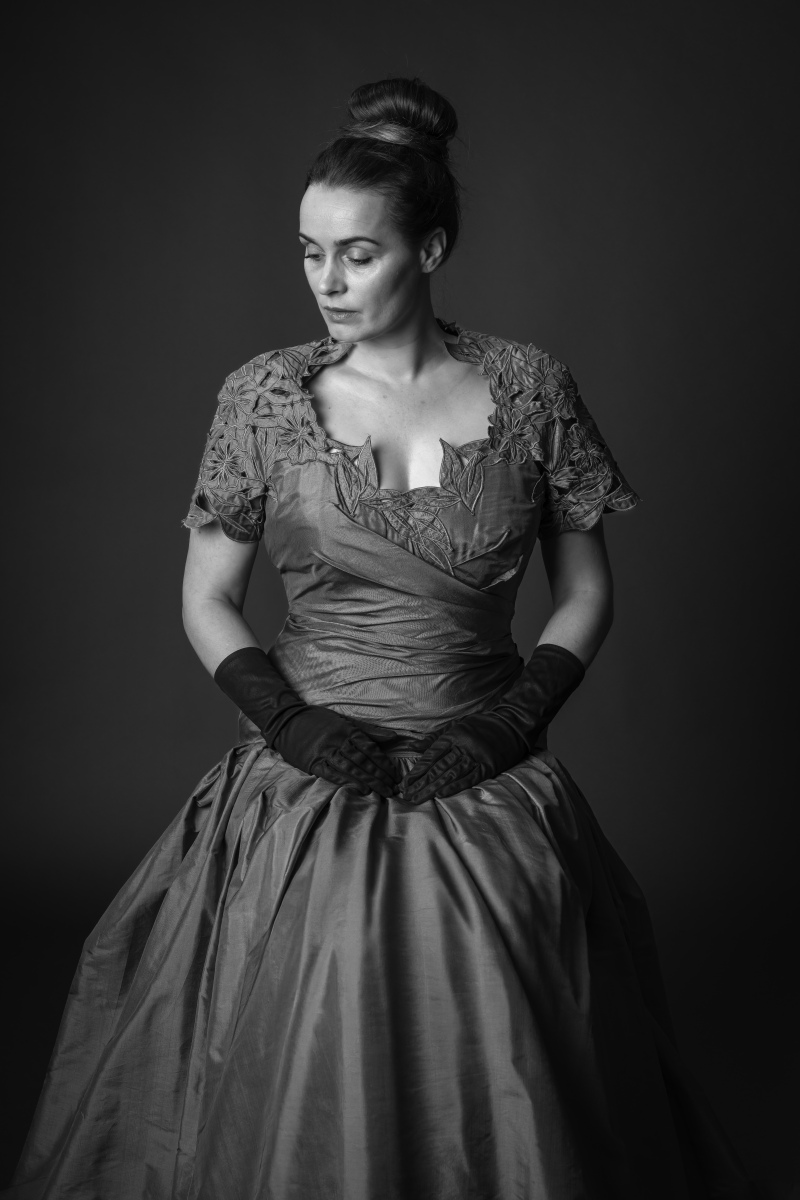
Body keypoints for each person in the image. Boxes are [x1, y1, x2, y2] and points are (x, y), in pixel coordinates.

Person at [7, 77, 764, 1200]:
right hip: (304, 765)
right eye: (309, 253)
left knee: (516, 1026)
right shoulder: (263, 396)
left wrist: (513, 720)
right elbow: (206, 597)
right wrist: (289, 723)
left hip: (486, 759)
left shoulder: (532, 388)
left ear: (431, 249)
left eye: (357, 255)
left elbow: (586, 591)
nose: (326, 281)